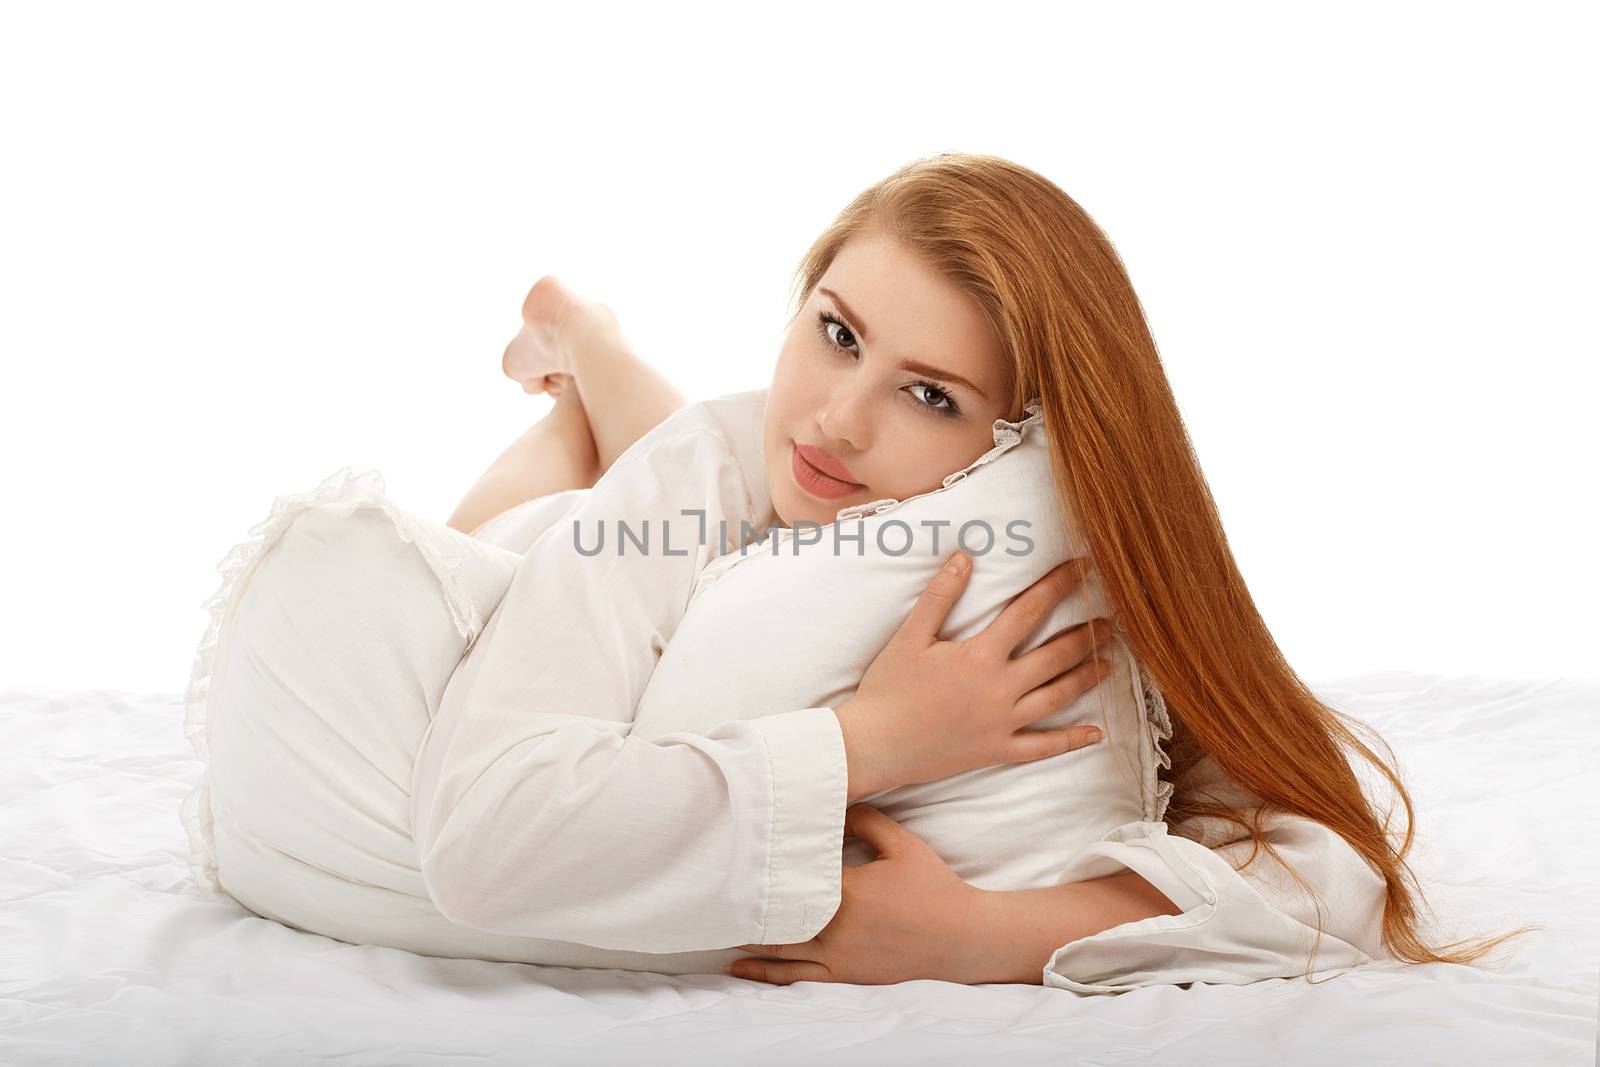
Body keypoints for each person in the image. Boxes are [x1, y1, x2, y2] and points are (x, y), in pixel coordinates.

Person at [435, 152, 1532, 990]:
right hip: (543, 537)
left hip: (734, 510)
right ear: (802, 296)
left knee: (753, 474)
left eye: (932, 396)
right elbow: (487, 839)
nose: (838, 416)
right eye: (836, 330)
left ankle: (588, 349)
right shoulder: (688, 477)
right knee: (565, 496)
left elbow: (1321, 862)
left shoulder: (1033, 562)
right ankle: (584, 347)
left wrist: (984, 936)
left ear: (1026, 442)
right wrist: (875, 740)